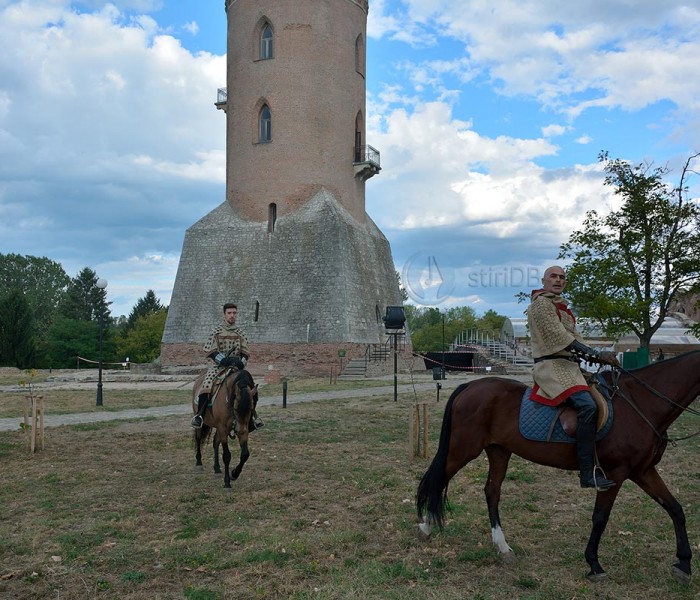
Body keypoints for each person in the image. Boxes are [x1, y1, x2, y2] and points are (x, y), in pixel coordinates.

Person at [527, 265, 620, 491]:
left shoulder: (562, 308)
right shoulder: (541, 305)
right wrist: (596, 354)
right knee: (588, 406)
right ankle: (587, 474)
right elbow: (558, 337)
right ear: (544, 280)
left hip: (569, 366)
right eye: (553, 277)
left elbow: (576, 338)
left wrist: (601, 357)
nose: (558, 280)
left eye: (562, 278)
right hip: (551, 366)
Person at [191, 303, 263, 431]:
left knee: (250, 388)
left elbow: (245, 352)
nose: (232, 316)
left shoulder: (240, 333)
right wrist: (223, 360)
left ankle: (252, 418)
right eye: (229, 313)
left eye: (234, 313)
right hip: (218, 367)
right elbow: (210, 351)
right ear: (224, 314)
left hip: (236, 368)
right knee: (206, 385)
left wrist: (242, 362)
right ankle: (200, 416)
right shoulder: (216, 331)